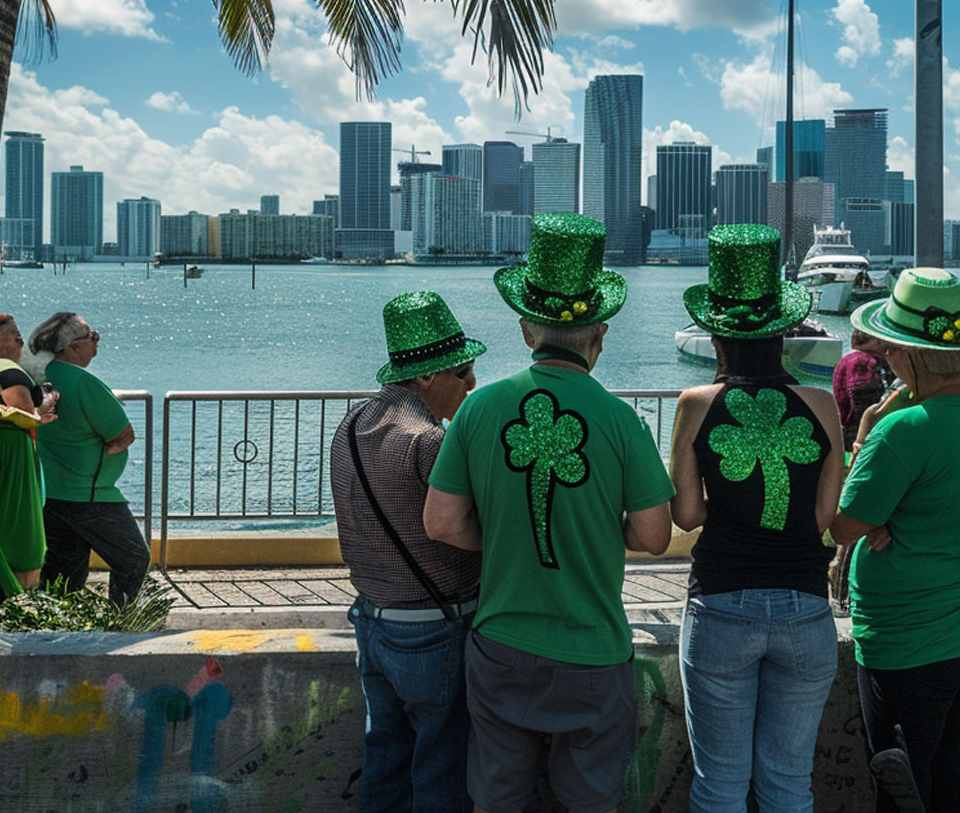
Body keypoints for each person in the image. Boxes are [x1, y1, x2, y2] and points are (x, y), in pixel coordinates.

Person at [424, 213, 675, 813]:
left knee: (494, 800)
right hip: (594, 651)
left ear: (524, 330)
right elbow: (654, 534)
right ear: (600, 335)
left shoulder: (479, 409)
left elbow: (441, 522)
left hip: (501, 643)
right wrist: (588, 533)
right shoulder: (621, 420)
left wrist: (508, 537)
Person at [667, 224, 845, 812]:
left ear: (716, 332)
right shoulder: (822, 405)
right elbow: (824, 515)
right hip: (804, 605)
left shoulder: (696, 404)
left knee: (718, 785)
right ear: (782, 332)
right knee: (788, 783)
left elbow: (687, 515)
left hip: (722, 601)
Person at [829, 267, 960, 813]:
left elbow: (842, 525)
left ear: (909, 355)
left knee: (902, 783)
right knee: (948, 769)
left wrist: (865, 434)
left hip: (908, 636)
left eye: (891, 351)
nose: (886, 359)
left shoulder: (901, 429)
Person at [330, 291, 486, 813]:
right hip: (434, 625)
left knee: (386, 758)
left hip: (372, 619)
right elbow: (454, 526)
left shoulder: (351, 425)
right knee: (442, 767)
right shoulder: (429, 441)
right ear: (425, 378)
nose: (472, 384)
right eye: (463, 373)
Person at [29, 312, 150, 606]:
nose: (97, 342)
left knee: (64, 572)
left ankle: (58, 626)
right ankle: (123, 620)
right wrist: (102, 454)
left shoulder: (38, 377)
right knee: (133, 558)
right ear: (71, 346)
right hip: (91, 493)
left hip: (50, 491)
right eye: (91, 336)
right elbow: (123, 436)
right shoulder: (84, 383)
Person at [0, 313, 56, 597]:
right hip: (11, 454)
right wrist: (45, 404)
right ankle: (22, 598)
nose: (21, 339)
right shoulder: (5, 368)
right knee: (25, 540)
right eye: (13, 334)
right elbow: (22, 412)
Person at [832, 328, 894, 451]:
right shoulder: (863, 363)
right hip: (863, 438)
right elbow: (862, 407)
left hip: (848, 433)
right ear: (874, 341)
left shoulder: (852, 358)